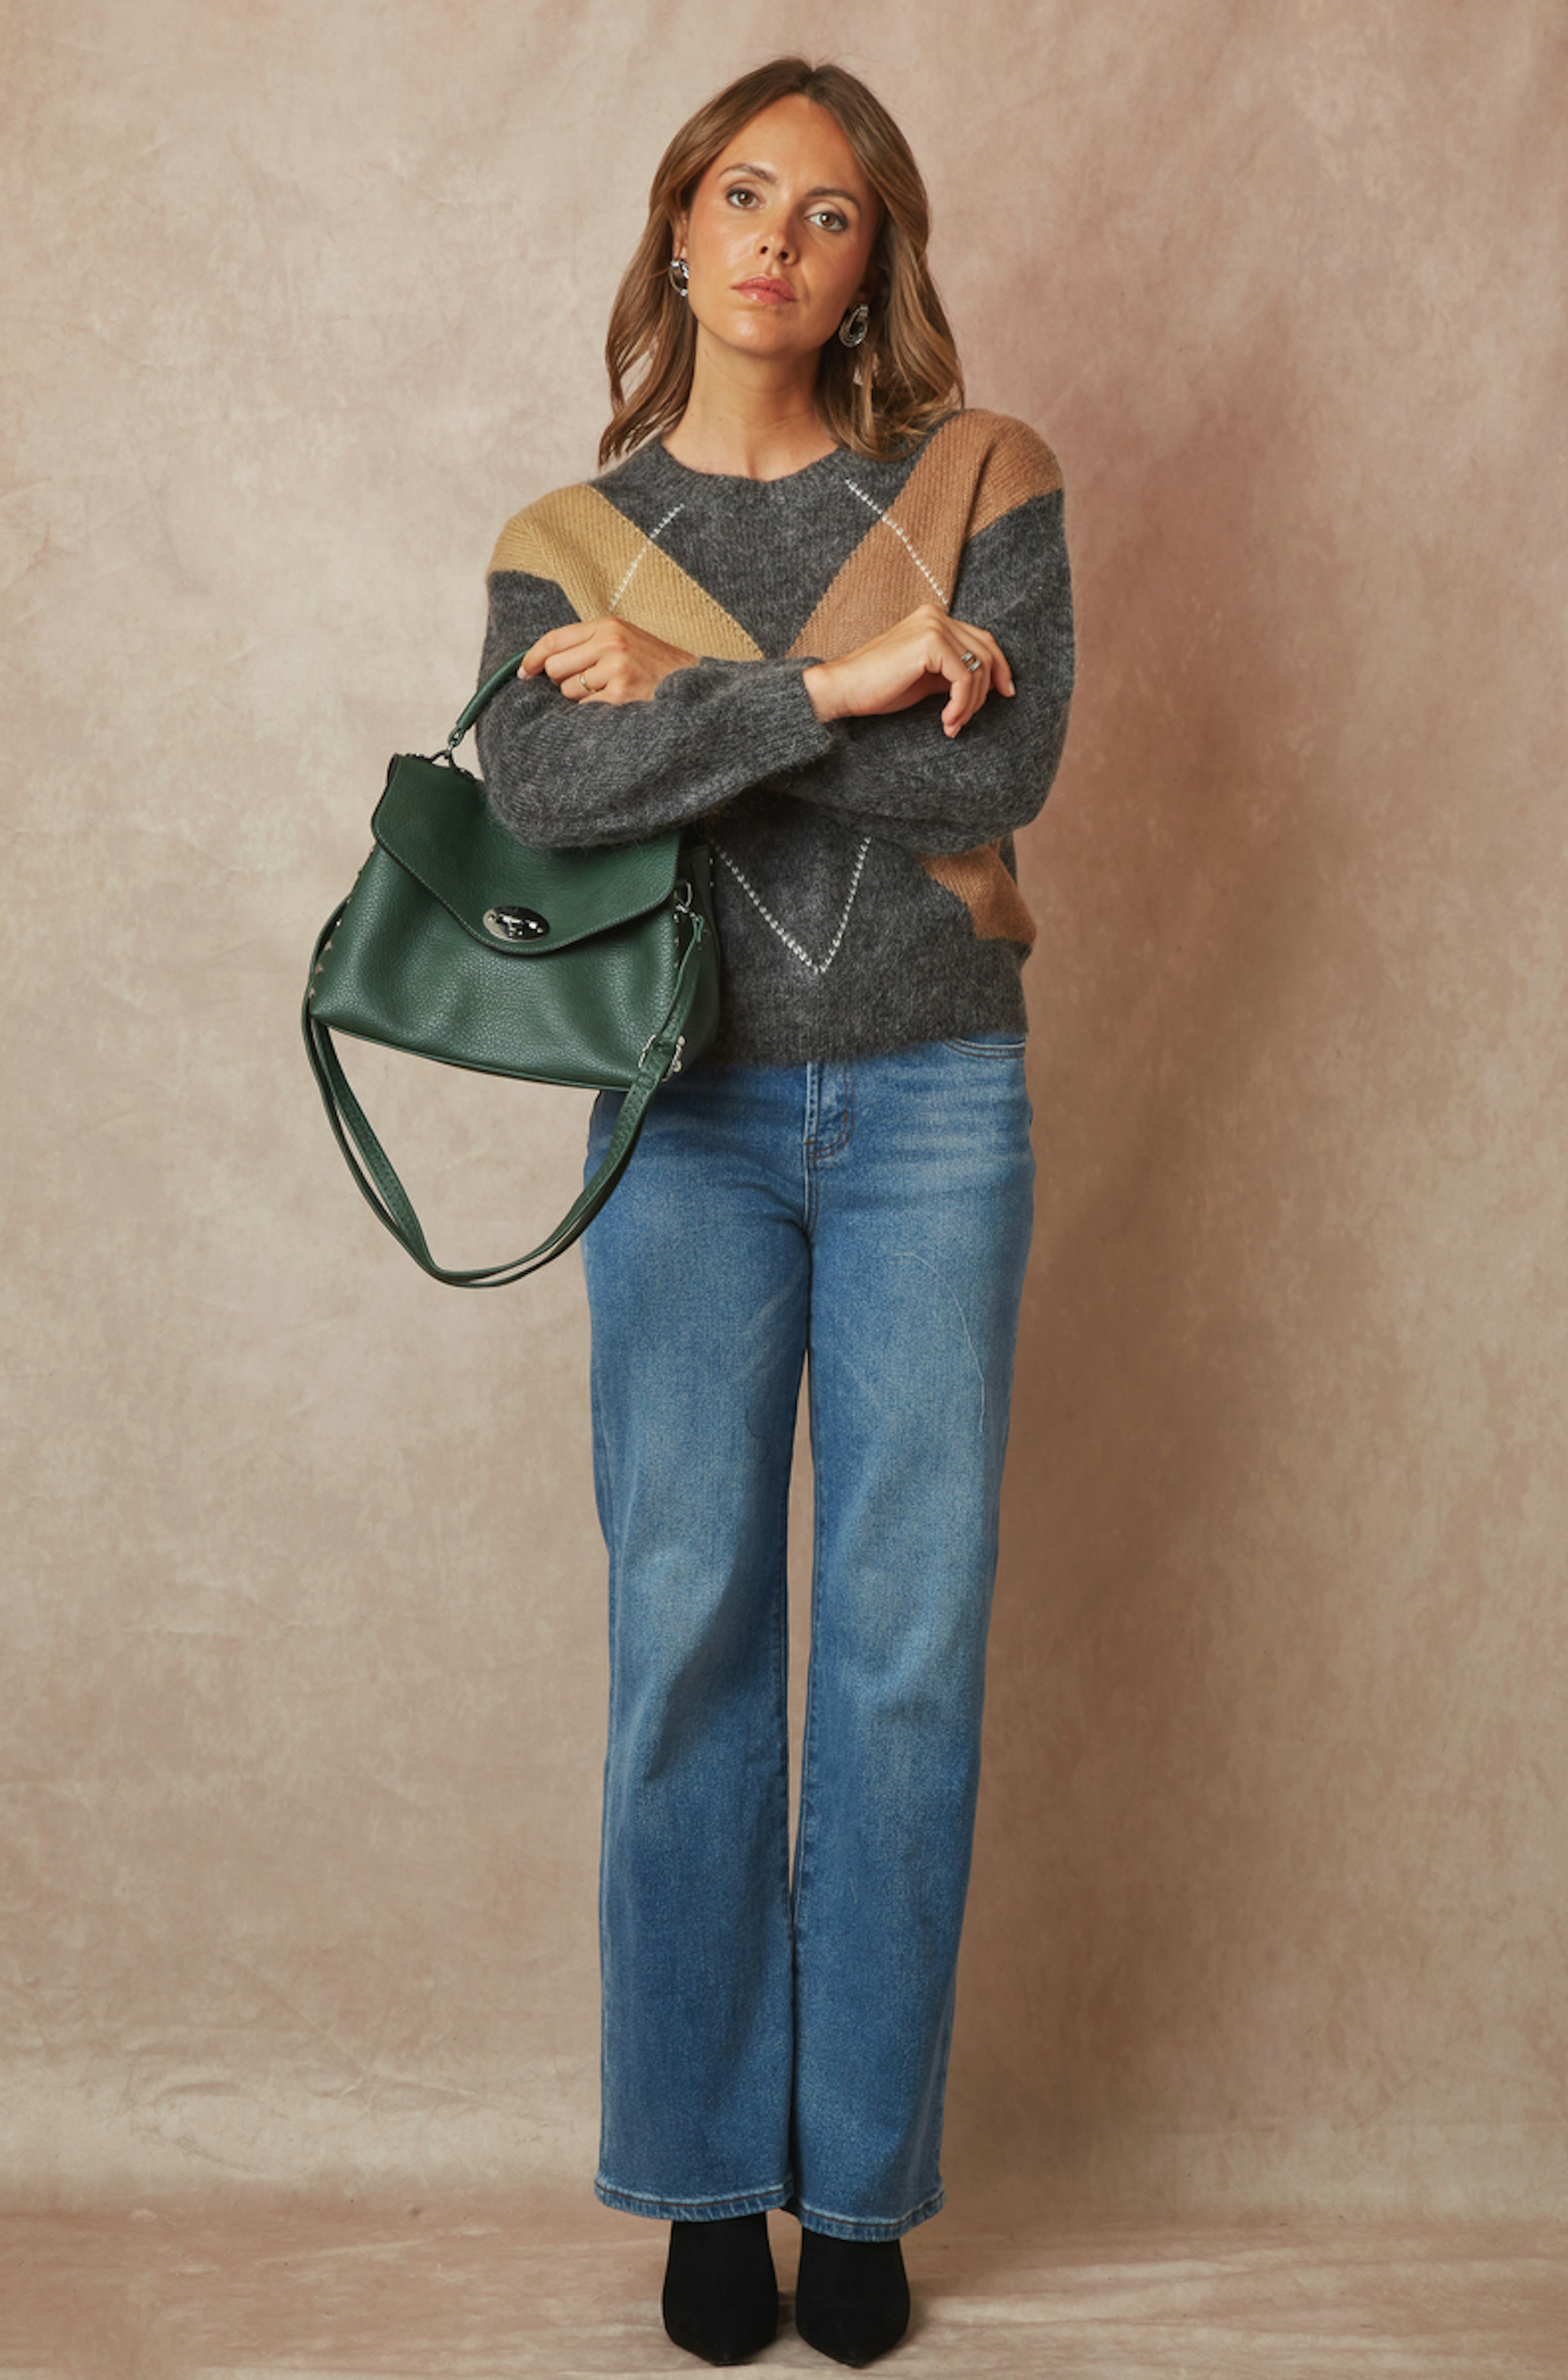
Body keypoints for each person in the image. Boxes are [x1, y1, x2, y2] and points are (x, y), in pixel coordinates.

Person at [475, 55, 1075, 2368]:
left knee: (904, 1653)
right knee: (692, 1637)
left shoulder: (985, 481)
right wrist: (844, 684)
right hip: (682, 1121)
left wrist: (702, 707)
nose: (777, 244)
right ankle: (709, 2183)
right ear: (678, 227)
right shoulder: (564, 535)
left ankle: (864, 2190)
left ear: (872, 262)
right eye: (744, 197)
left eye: (830, 216)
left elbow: (1003, 769)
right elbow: (551, 792)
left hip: (934, 1106)